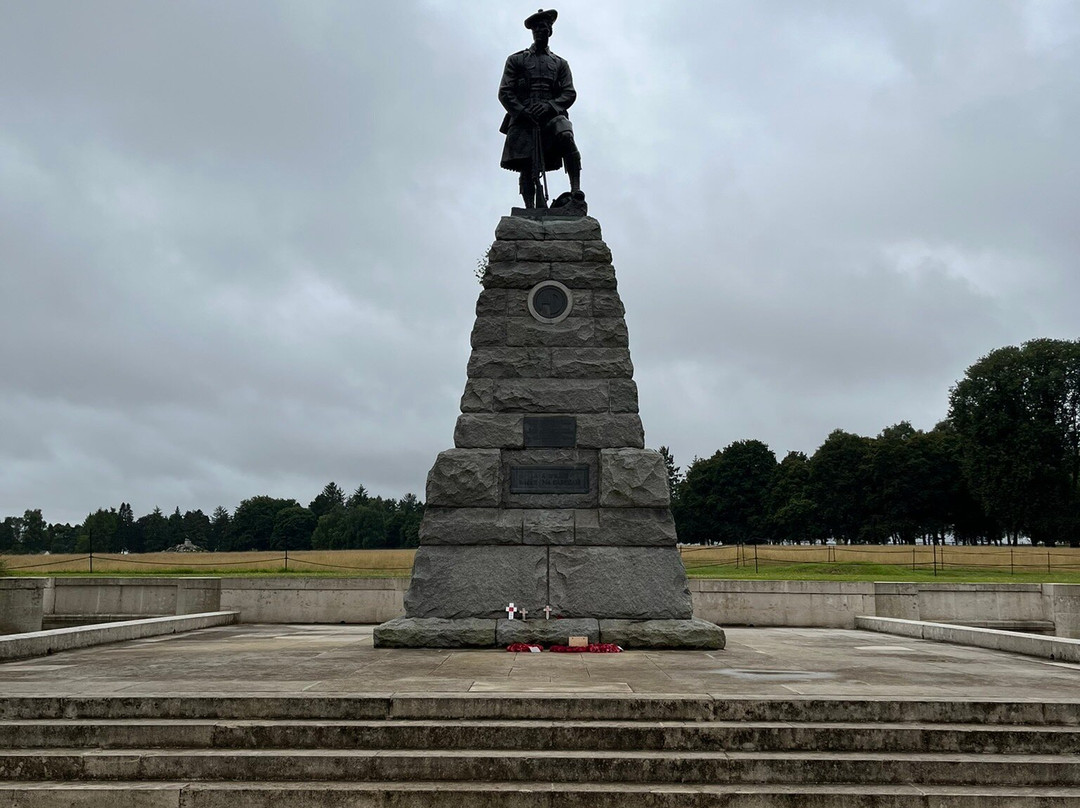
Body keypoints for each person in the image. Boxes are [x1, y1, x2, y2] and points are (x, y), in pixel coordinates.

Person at [498, 9, 583, 209]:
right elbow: (505, 91)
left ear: (549, 31)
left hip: (552, 115)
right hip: (523, 116)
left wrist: (550, 106)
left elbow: (569, 93)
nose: (539, 31)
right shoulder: (516, 60)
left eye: (543, 28)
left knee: (566, 135)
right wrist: (522, 111)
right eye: (535, 29)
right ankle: (531, 208)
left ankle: (576, 190)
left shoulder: (560, 63)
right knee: (527, 165)